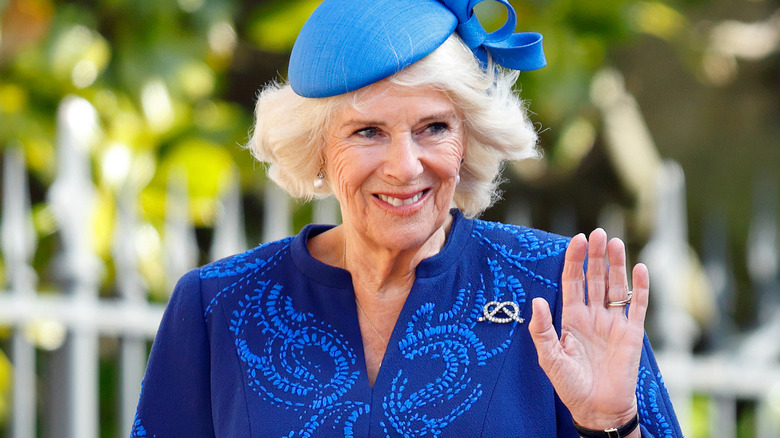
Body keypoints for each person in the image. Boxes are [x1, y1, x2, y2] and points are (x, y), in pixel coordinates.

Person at [131, 0, 683, 437]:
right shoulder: (218, 307)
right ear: (318, 149)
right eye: (367, 132)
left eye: (433, 128)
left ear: (469, 139)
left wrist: (610, 426)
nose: (404, 166)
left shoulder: (557, 288)